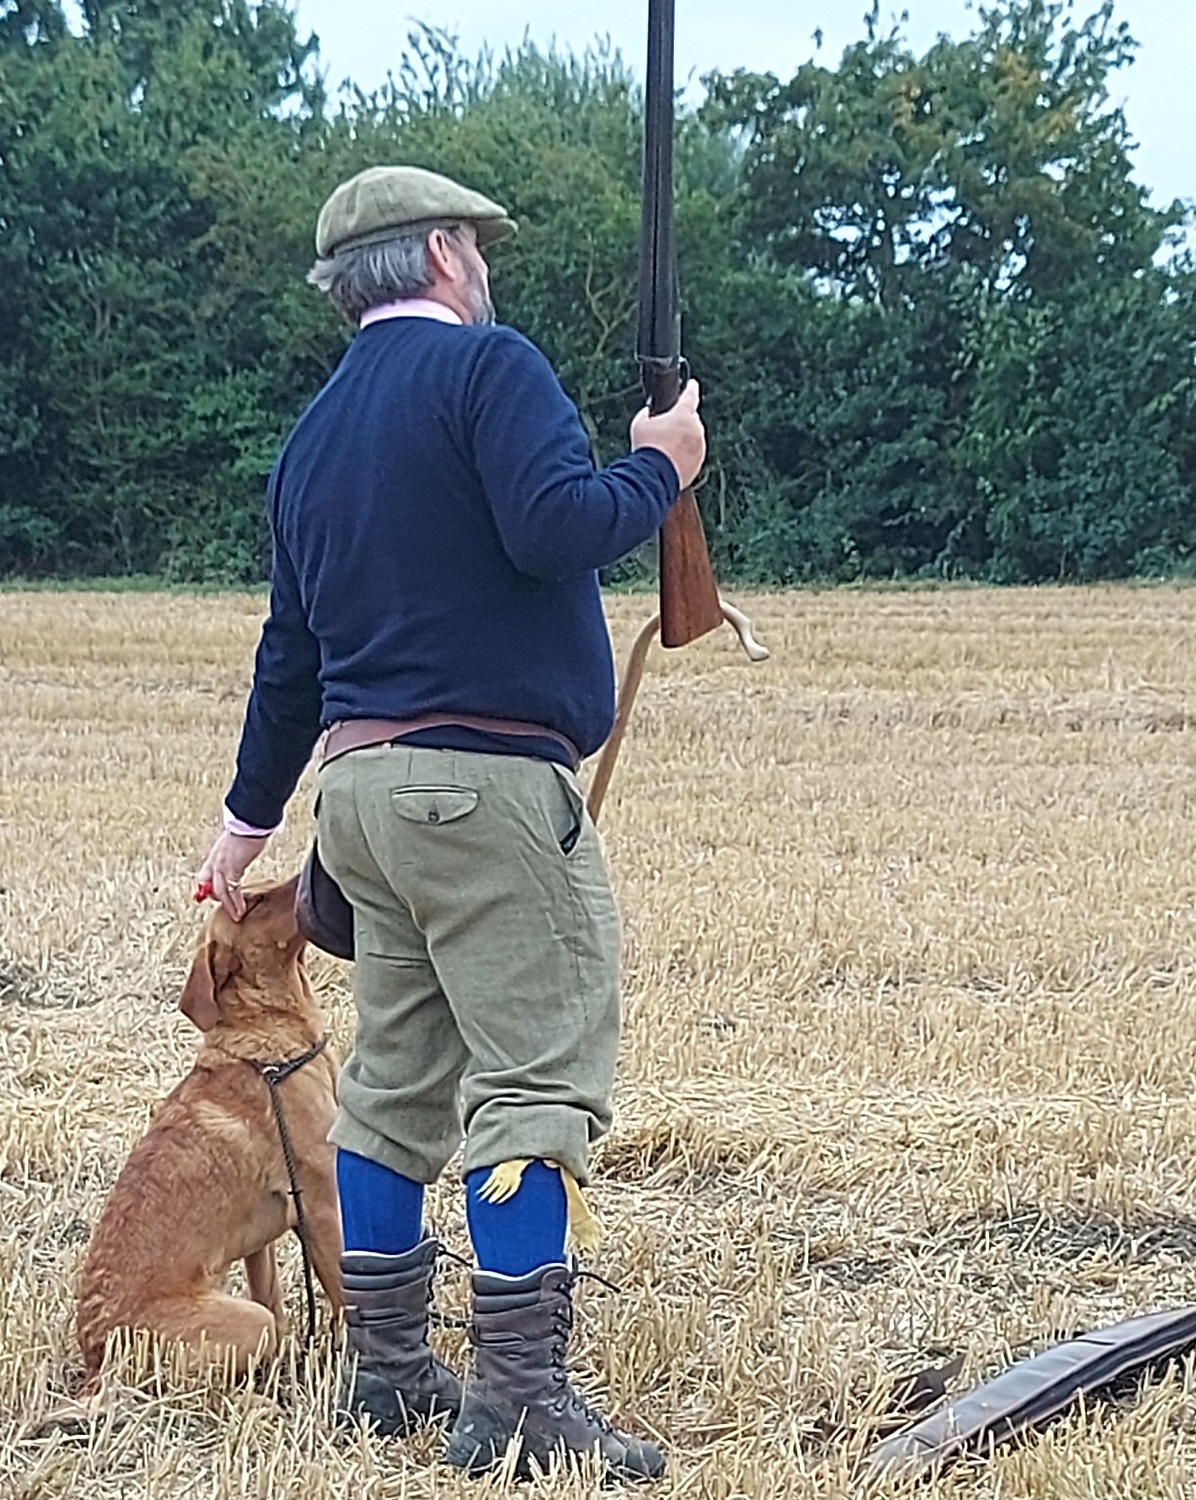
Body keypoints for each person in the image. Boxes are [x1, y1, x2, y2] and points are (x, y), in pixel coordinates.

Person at [196, 164, 705, 1482]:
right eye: (474, 242)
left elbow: (289, 661)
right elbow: (555, 528)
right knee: (535, 1085)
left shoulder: (311, 437)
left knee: (394, 1090)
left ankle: (390, 1376)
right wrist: (659, 470)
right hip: (483, 792)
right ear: (435, 254)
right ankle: (523, 1408)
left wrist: (245, 828)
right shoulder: (493, 372)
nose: (485, 263)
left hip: (357, 807)